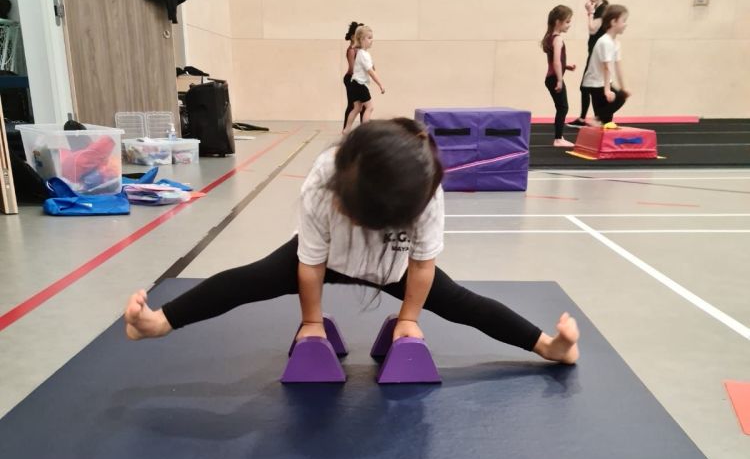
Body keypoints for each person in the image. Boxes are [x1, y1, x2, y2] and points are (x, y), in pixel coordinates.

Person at [125, 119, 579, 366]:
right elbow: (309, 263)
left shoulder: (426, 190)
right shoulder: (324, 177)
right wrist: (311, 322)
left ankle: (547, 346)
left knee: (461, 302)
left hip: (393, 264)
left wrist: (408, 319)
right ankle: (159, 322)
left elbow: (422, 265)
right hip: (325, 257)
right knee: (250, 280)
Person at [581, 5, 630, 126]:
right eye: (623, 21)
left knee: (607, 119)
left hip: (603, 82)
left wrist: (623, 87)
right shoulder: (605, 42)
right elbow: (606, 67)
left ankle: (599, 120)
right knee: (619, 99)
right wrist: (607, 90)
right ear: (613, 22)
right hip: (595, 83)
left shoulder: (615, 43)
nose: (626, 24)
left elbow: (618, 66)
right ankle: (597, 119)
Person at [571, 0, 608, 127]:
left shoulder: (603, 10)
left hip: (597, 54)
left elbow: (593, 29)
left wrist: (590, 12)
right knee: (590, 87)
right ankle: (594, 118)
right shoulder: (599, 9)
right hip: (594, 52)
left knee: (588, 87)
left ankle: (593, 118)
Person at [541, 5, 576, 148]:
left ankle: (559, 136)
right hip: (555, 78)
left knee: (561, 107)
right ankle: (558, 139)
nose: (569, 24)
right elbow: (556, 61)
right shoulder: (558, 39)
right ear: (558, 22)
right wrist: (560, 80)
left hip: (550, 78)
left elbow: (554, 61)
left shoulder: (550, 37)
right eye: (567, 21)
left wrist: (566, 66)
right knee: (563, 108)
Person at [343, 25, 384, 133]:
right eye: (369, 38)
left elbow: (371, 68)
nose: (372, 40)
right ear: (361, 39)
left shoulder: (363, 53)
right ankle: (365, 132)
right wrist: (380, 84)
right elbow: (370, 72)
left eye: (372, 37)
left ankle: (346, 130)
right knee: (369, 107)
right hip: (360, 84)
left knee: (357, 108)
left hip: (355, 83)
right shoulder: (363, 55)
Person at [342, 20, 363, 131]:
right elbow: (352, 68)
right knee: (352, 105)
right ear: (352, 37)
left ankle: (364, 130)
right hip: (350, 79)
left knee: (364, 106)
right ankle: (345, 130)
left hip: (358, 79)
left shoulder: (360, 50)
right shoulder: (351, 50)